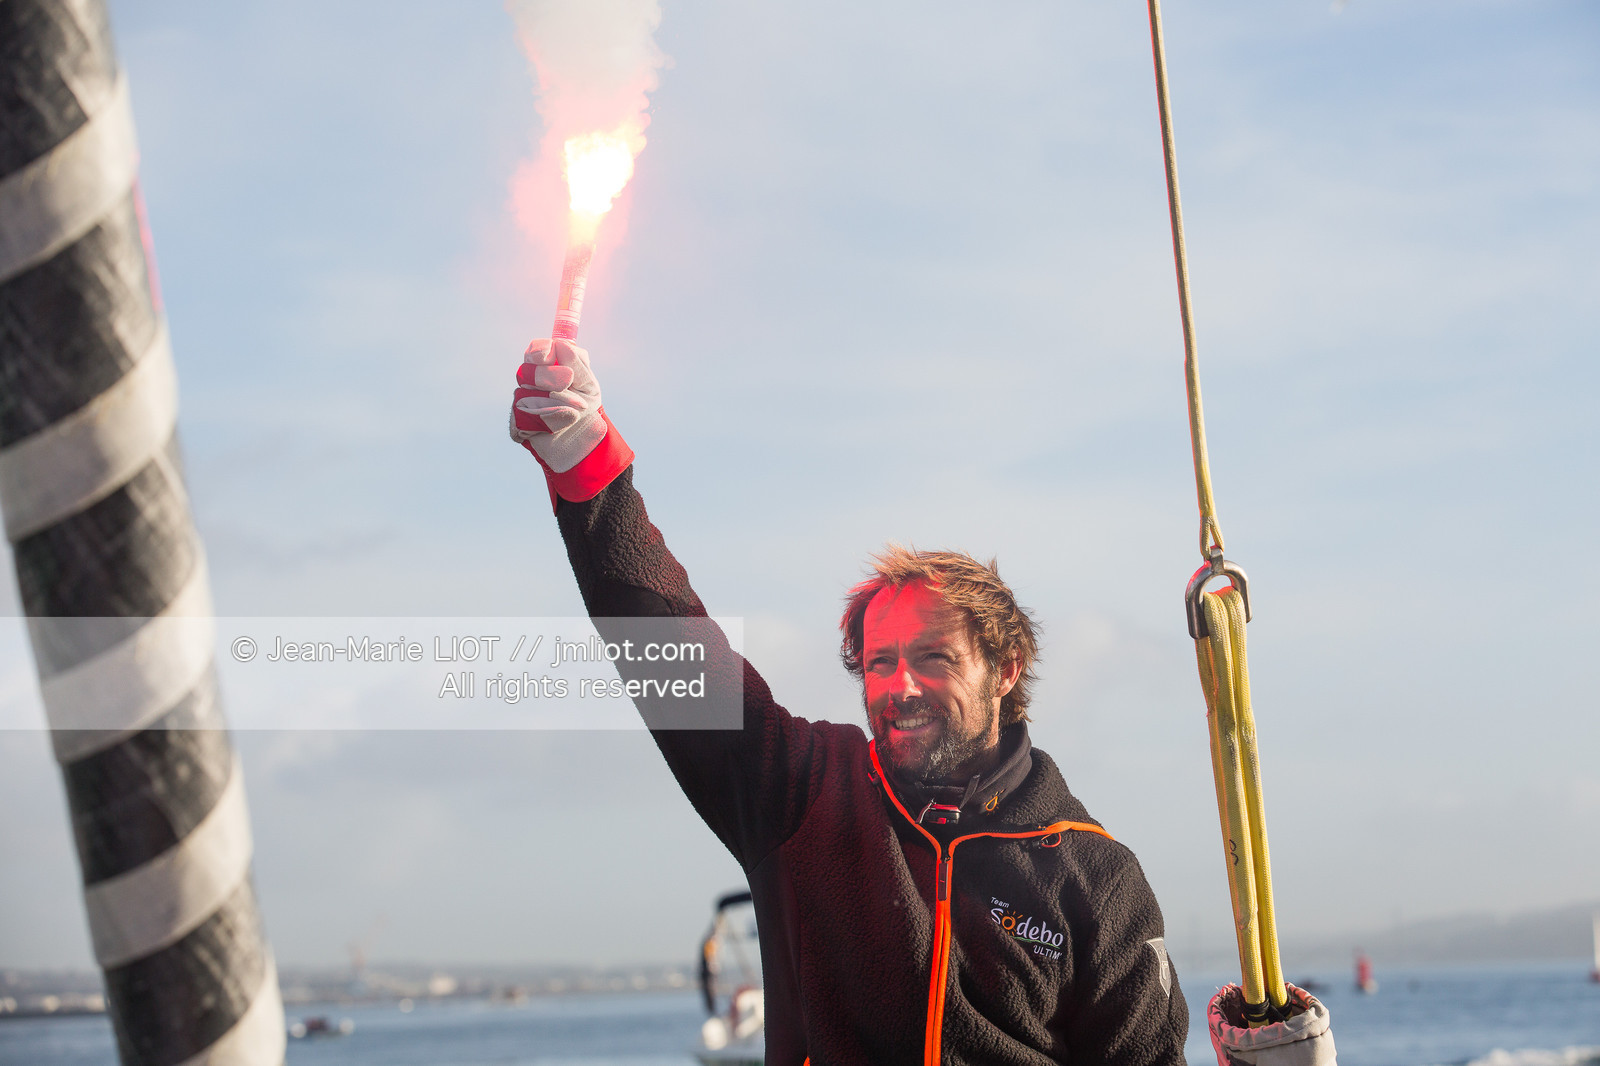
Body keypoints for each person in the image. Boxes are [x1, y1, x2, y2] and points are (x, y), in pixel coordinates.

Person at [511, 337, 1189, 1065]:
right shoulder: (802, 793)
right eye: (880, 662)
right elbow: (668, 642)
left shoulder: (1095, 874)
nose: (900, 686)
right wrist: (587, 471)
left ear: (1005, 669)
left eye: (934, 659)